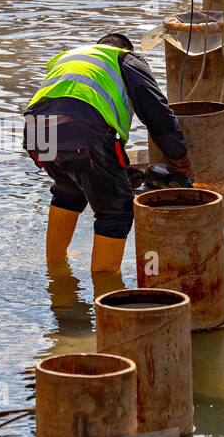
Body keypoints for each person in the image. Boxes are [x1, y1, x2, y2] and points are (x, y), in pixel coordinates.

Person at [25, 32, 192, 273]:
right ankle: (106, 291)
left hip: (36, 131)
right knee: (116, 212)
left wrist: (116, 170)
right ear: (126, 50)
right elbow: (155, 110)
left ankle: (55, 268)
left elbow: (74, 107)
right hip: (82, 129)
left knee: (70, 188)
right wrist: (179, 158)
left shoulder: (72, 58)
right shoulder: (125, 59)